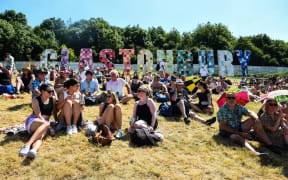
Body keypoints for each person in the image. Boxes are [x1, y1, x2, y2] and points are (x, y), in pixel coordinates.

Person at [217, 92, 281, 155]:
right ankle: (255, 152)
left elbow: (250, 112)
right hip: (227, 131)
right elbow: (223, 127)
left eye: (233, 98)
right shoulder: (222, 110)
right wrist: (240, 133)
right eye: (229, 98)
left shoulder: (238, 106)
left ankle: (269, 144)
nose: (231, 100)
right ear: (226, 99)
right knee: (237, 137)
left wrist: (256, 118)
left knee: (254, 120)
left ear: (235, 99)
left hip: (238, 127)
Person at [19, 84, 57, 158]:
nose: (51, 93)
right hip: (34, 120)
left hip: (45, 123)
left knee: (40, 137)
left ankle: (33, 150)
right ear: (42, 91)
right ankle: (27, 145)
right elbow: (38, 115)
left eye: (52, 91)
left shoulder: (53, 99)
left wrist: (56, 120)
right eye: (49, 91)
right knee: (46, 125)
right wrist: (49, 127)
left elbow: (54, 111)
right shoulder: (36, 100)